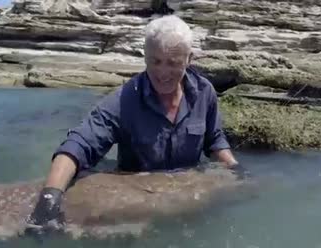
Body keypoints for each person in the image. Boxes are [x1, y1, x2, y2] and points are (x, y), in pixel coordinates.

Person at [25, 15, 240, 234]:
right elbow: (78, 145)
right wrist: (48, 201)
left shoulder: (205, 93)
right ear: (145, 56)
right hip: (135, 204)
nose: (163, 72)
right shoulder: (124, 99)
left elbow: (214, 140)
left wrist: (235, 169)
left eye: (173, 63)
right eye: (155, 61)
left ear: (189, 59)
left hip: (187, 201)